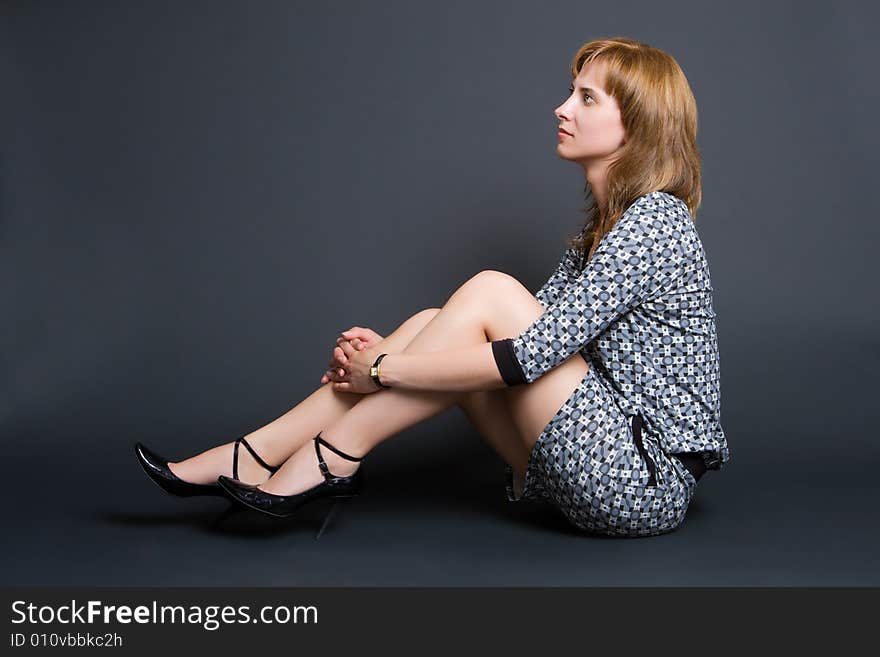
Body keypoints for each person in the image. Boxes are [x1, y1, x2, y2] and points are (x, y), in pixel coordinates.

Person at [135, 36, 729, 538]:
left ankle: (331, 458)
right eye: (571, 91)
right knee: (430, 323)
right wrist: (399, 350)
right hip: (581, 464)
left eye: (586, 97)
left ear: (636, 123)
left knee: (489, 290)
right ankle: (254, 454)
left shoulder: (656, 219)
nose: (561, 108)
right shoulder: (603, 232)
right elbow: (531, 334)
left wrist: (386, 370)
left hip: (638, 480)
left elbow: (529, 355)